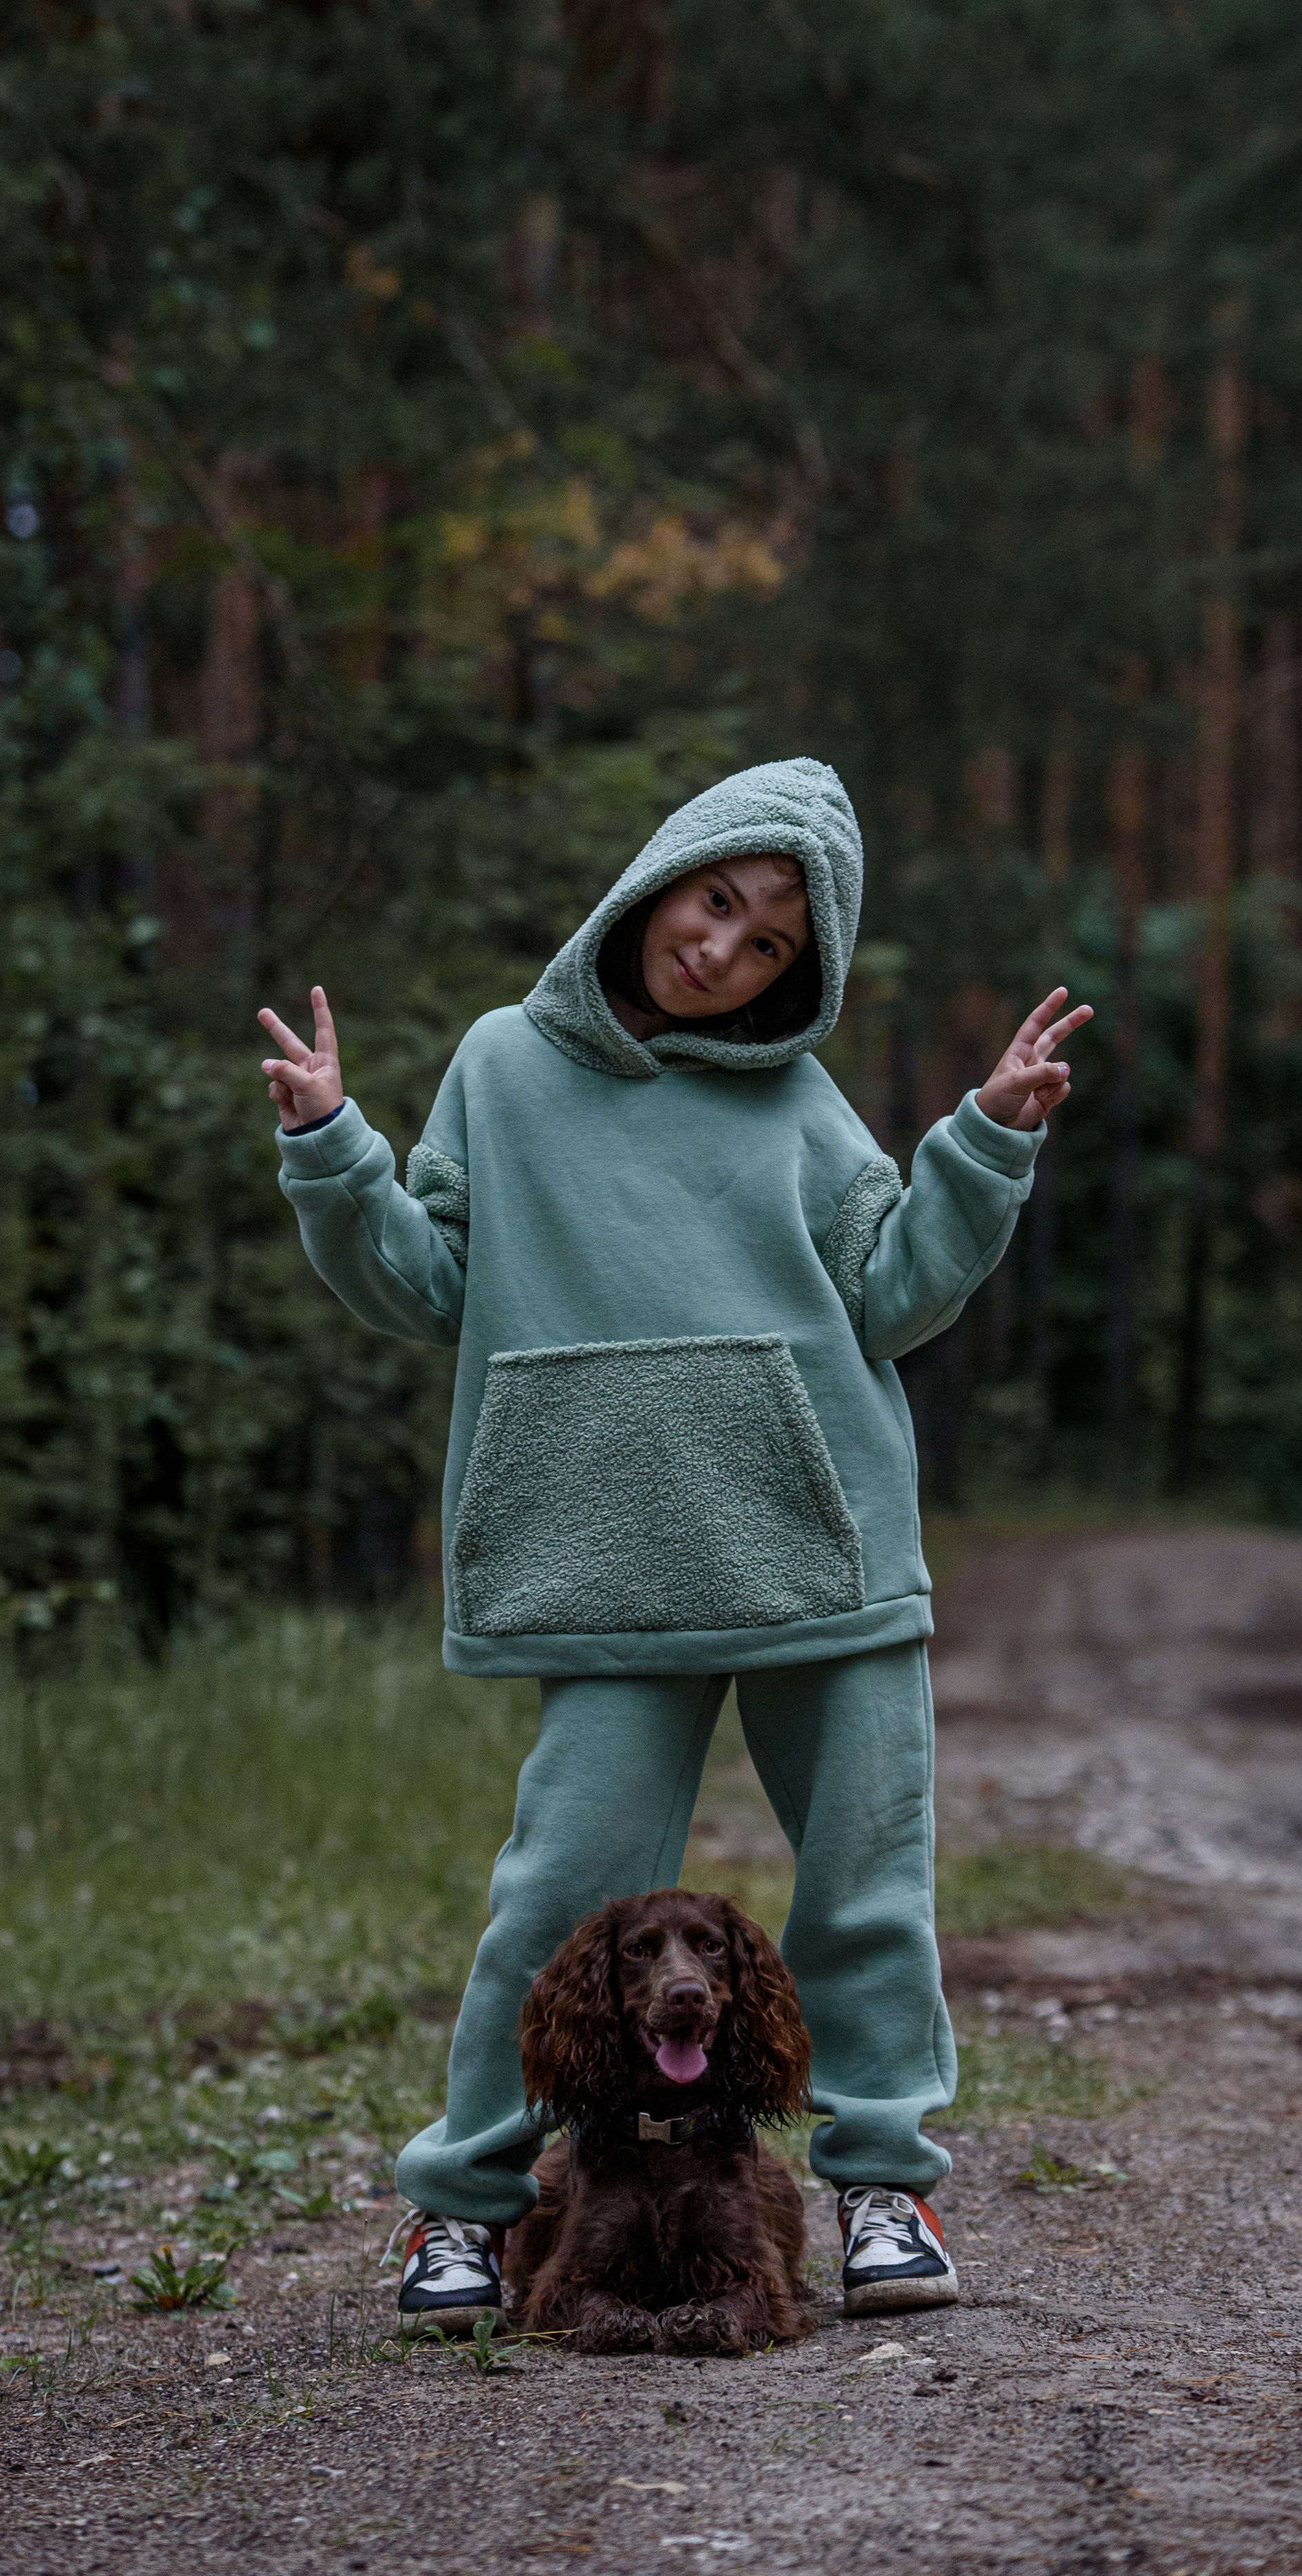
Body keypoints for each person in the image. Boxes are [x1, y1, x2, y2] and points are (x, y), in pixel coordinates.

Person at [260, 757, 1090, 2327]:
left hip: (816, 1536)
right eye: (720, 901)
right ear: (662, 879)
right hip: (601, 1554)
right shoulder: (502, 1067)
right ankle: (466, 2210)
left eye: (772, 942)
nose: (724, 950)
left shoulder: (793, 1099)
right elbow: (433, 1287)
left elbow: (898, 1295)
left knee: (861, 1891)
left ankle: (880, 2186)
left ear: (798, 977)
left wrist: (982, 1142)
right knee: (554, 1896)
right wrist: (331, 1151)